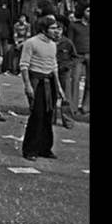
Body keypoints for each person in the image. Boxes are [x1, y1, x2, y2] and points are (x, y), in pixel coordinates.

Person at [20, 16, 66, 161]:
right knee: (37, 115)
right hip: (36, 82)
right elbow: (24, 65)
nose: (56, 31)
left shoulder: (53, 44)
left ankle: (45, 148)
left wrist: (59, 87)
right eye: (52, 28)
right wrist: (27, 85)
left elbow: (54, 67)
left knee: (48, 116)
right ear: (44, 29)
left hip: (49, 82)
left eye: (56, 28)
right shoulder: (31, 43)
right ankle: (30, 150)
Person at [53, 19, 77, 129]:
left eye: (59, 29)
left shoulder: (67, 42)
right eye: (54, 29)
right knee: (50, 96)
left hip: (64, 72)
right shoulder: (49, 42)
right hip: (50, 71)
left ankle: (68, 121)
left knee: (65, 97)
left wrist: (68, 66)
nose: (57, 31)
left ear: (62, 30)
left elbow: (75, 57)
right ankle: (50, 119)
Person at [67, 4, 89, 115]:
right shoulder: (74, 25)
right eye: (88, 11)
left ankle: (86, 107)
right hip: (78, 55)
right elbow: (70, 42)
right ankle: (73, 107)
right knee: (75, 80)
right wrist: (72, 55)